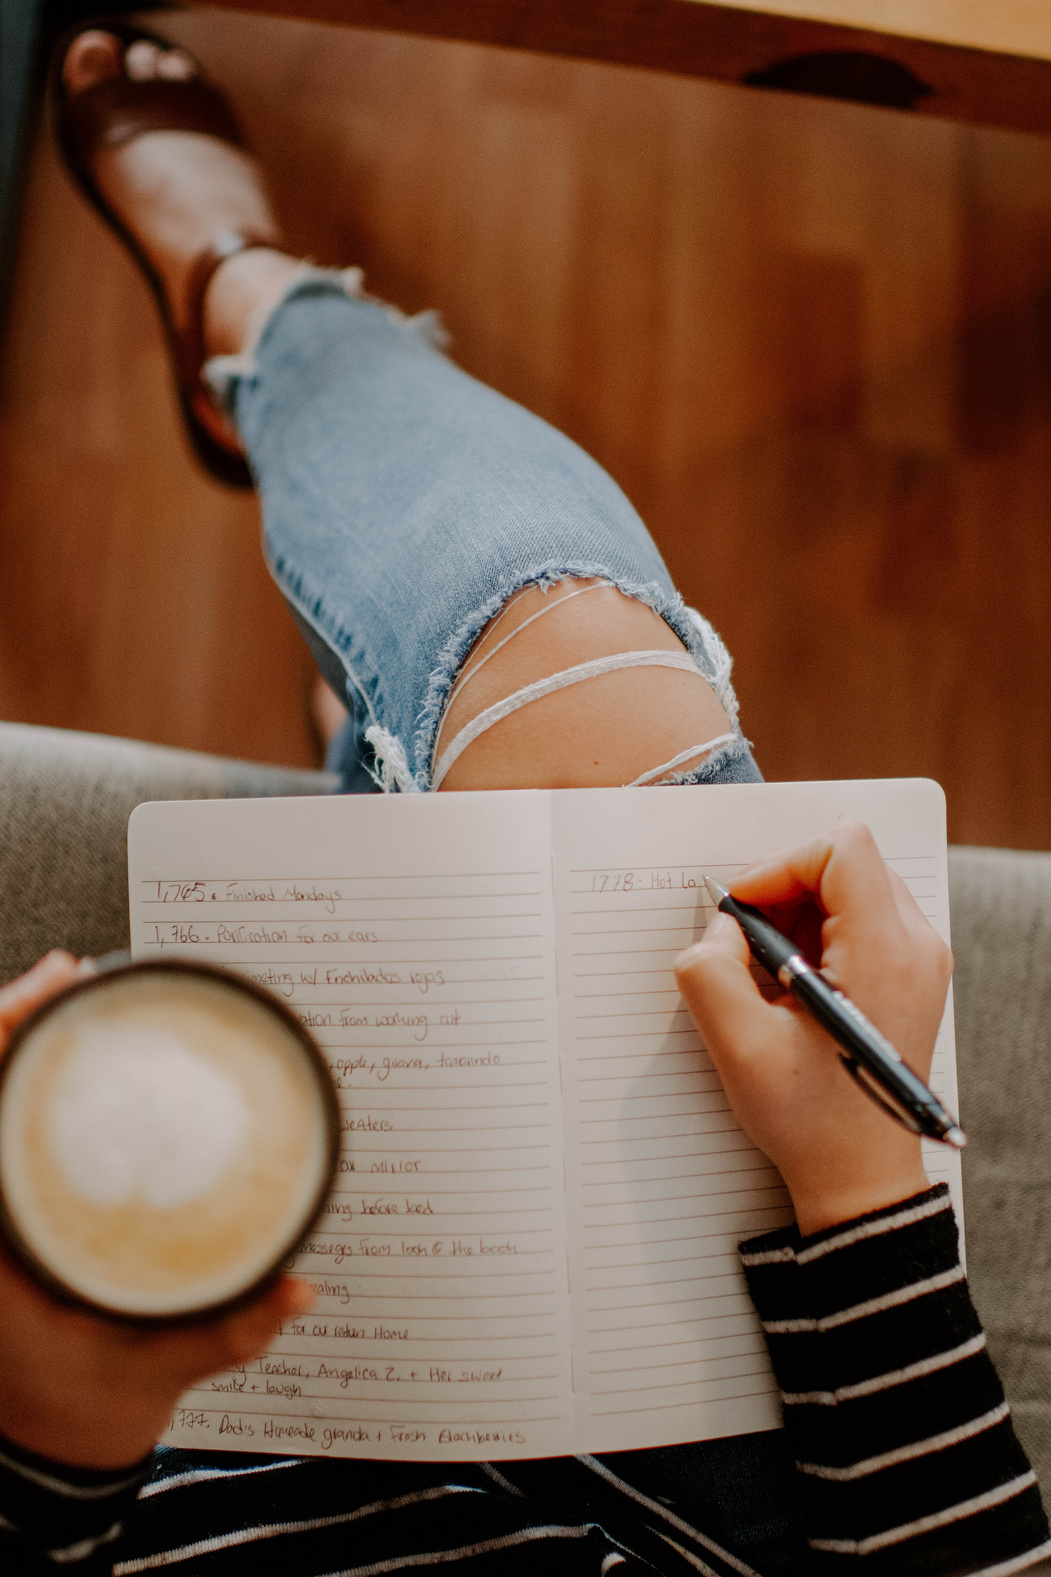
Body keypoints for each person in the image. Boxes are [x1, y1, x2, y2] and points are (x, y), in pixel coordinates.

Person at [0, 22, 1046, 1574]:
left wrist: (48, 1431)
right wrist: (864, 1187)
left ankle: (273, 372)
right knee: (571, 664)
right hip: (732, 1512)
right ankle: (258, 311)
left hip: (190, 1489)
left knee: (471, 728)